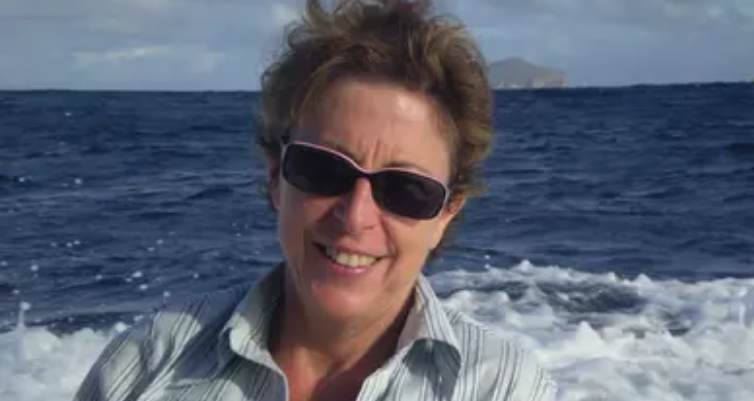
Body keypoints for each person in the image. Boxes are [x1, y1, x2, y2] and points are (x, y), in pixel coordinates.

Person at [74, 0, 558, 400]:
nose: (355, 216)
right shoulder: (147, 366)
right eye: (325, 170)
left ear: (445, 216)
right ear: (275, 177)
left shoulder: (503, 388)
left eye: (405, 190)